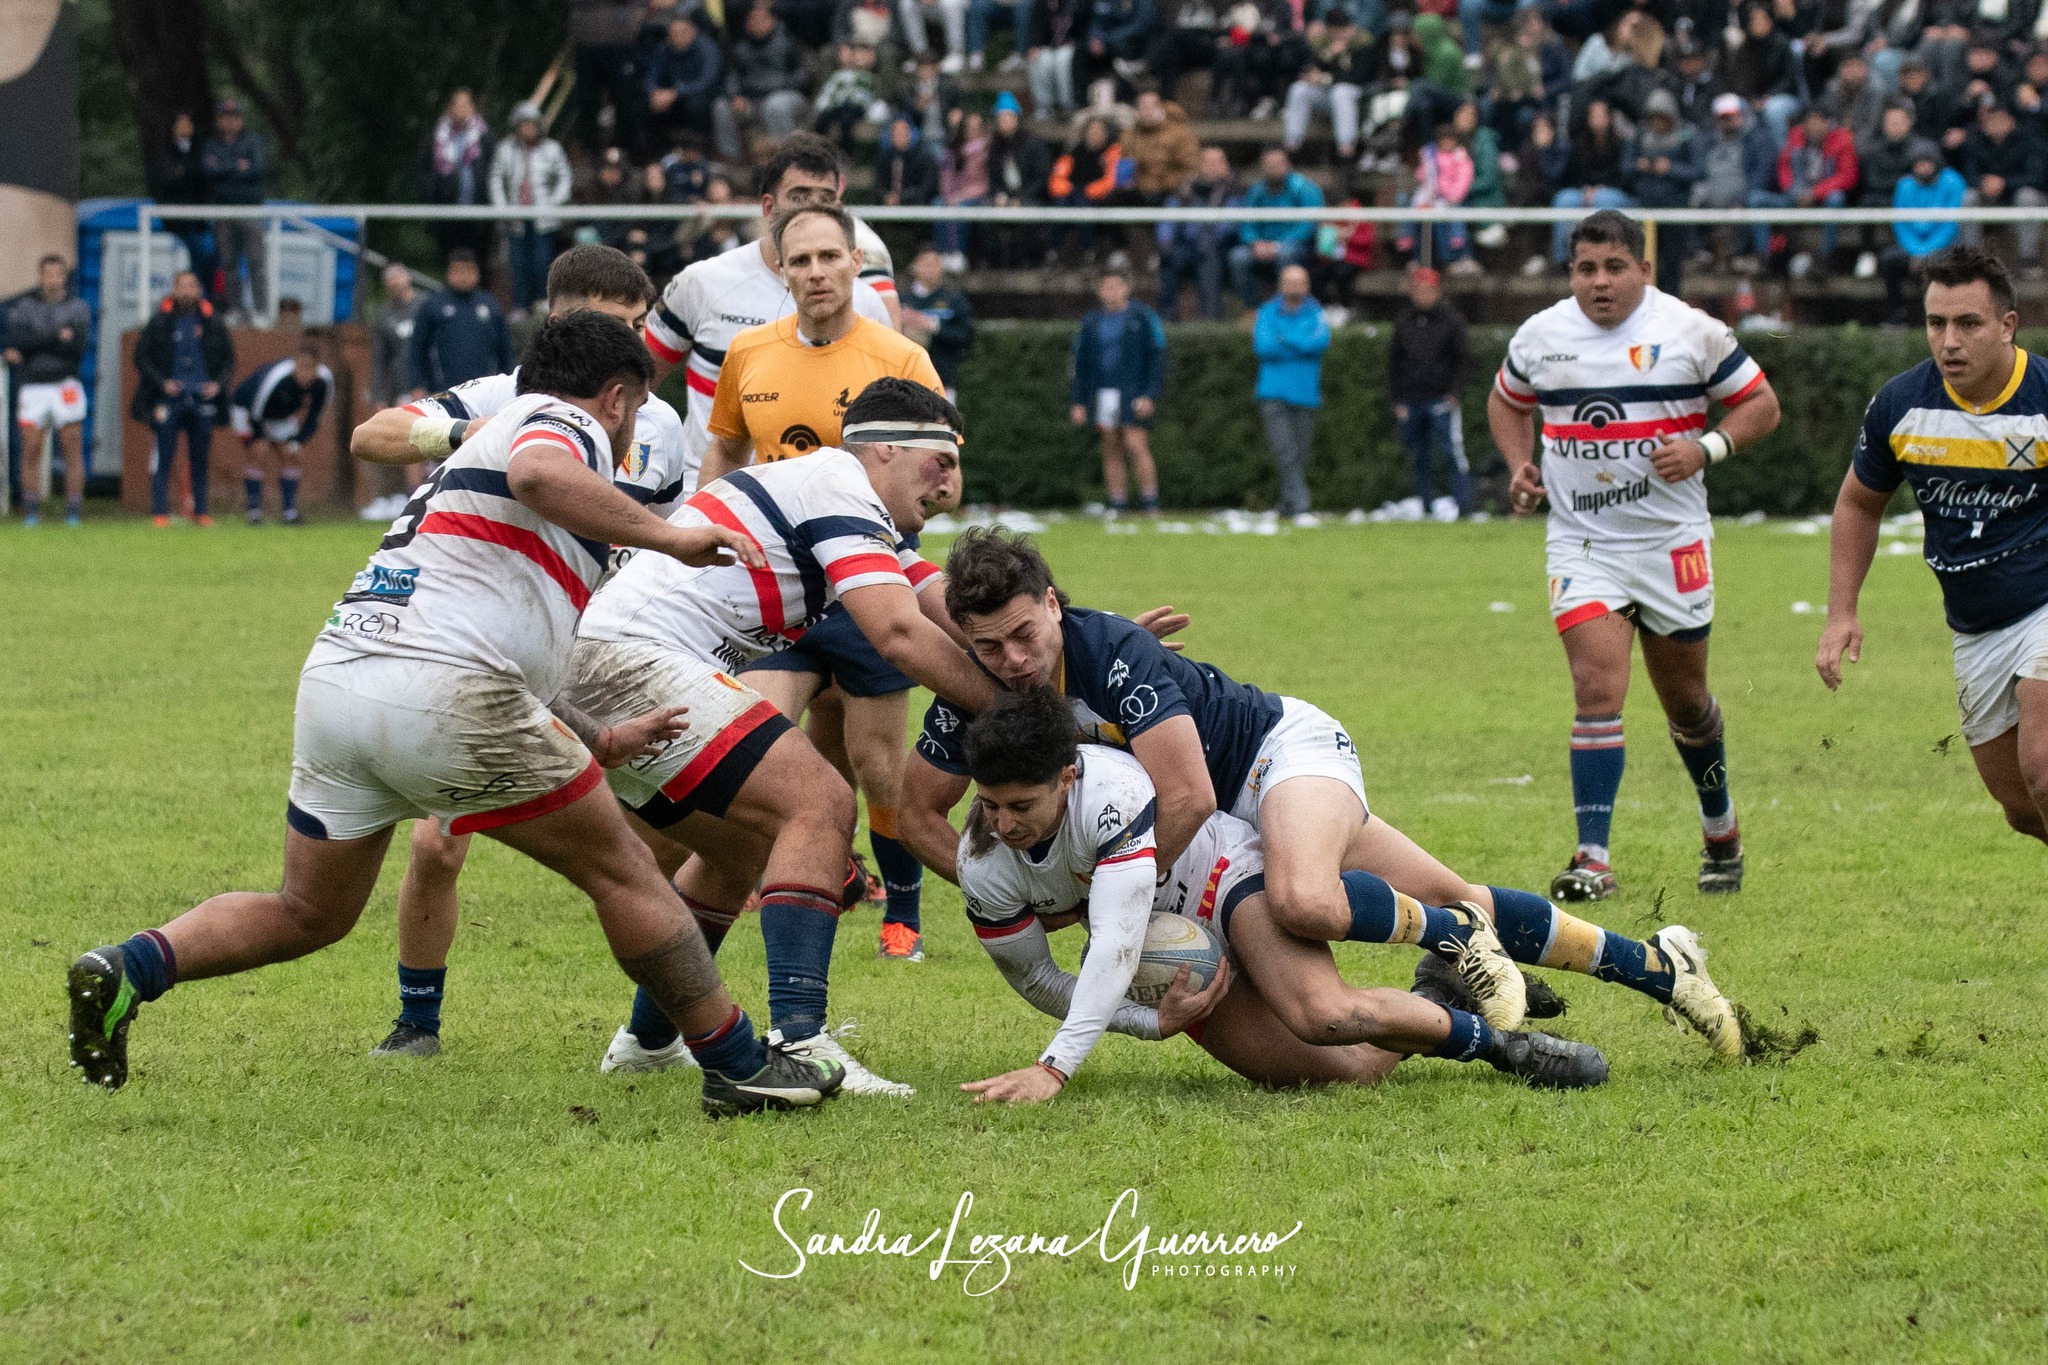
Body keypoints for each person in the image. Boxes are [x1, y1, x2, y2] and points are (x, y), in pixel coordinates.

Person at [63, 312, 848, 1119]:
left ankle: (127, 966)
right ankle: (740, 1064)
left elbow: (493, 627)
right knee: (621, 870)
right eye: (631, 422)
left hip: (342, 677)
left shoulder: (479, 454)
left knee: (308, 910)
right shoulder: (561, 420)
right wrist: (670, 536)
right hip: (443, 692)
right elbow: (543, 475)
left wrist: (601, 737)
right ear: (617, 399)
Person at [899, 528, 1749, 1061]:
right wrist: (1025, 894)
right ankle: (1656, 963)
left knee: (1313, 898)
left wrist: (1097, 893)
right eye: (988, 645)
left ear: (1052, 603)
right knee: (1336, 1029)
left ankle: (1478, 943)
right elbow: (915, 813)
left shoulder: (1113, 651)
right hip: (1202, 845)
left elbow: (1188, 794)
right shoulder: (980, 697)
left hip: (1274, 758)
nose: (1011, 658)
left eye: (1024, 633)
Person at [584, 374, 1000, 1094]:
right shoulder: (838, 481)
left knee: (739, 844)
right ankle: (800, 1038)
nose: (948, 488)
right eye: (942, 463)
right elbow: (901, 634)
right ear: (887, 448)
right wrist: (1013, 709)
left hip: (610, 667)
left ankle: (648, 1039)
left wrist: (1071, 652)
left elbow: (948, 604)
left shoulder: (844, 502)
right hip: (630, 665)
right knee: (821, 801)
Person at [347, 246, 697, 1057]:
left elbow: (661, 538)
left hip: (606, 644)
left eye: (641, 328)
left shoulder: (661, 424)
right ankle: (416, 1024)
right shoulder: (503, 397)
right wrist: (479, 432)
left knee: (683, 825)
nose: (636, 348)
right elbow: (372, 434)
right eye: (616, 329)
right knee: (440, 841)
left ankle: (654, 1030)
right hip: (484, 640)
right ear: (558, 322)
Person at [954, 692, 1629, 1101]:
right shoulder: (986, 863)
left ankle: (1504, 1048)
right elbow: (1039, 976)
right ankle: (1438, 994)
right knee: (1348, 1071)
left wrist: (1054, 1067)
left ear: (1069, 776)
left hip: (1224, 880)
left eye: (1022, 804)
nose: (1005, 824)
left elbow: (1117, 942)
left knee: (1323, 1014)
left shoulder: (1112, 797)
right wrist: (1149, 1022)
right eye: (990, 804)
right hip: (1178, 954)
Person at [1487, 210, 1783, 901]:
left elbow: (1761, 405)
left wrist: (1706, 447)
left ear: (1643, 271)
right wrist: (1520, 464)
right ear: (1571, 273)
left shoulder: (1691, 330)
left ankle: (1721, 828)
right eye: (1586, 268)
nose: (1600, 282)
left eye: (1615, 267)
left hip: (1671, 544)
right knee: (1597, 688)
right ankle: (1593, 857)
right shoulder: (1541, 336)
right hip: (1583, 544)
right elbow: (1507, 402)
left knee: (1686, 704)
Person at [699, 204, 950, 979]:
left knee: (878, 766)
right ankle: (823, 871)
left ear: (854, 263)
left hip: (870, 589)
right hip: (779, 595)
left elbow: (944, 471)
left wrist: (895, 528)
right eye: (798, 260)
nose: (814, 273)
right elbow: (724, 449)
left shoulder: (900, 358)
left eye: (827, 258)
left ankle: (902, 912)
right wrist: (703, 536)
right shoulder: (747, 353)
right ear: (780, 268)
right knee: (758, 738)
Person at [1818, 246, 2048, 848]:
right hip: (1975, 627)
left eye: (1968, 323)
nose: (1949, 341)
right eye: (1935, 323)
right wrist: (1842, 611)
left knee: (2044, 770)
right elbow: (1858, 504)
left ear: (2006, 325)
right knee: (2023, 808)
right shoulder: (1902, 405)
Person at [642, 135, 897, 485]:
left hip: (825, 505)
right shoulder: (704, 283)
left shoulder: (866, 301)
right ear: (767, 207)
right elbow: (635, 383)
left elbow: (891, 421)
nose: (812, 211)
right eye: (799, 197)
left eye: (826, 200)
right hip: (717, 498)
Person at [132, 269, 234, 527]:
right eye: (182, 286)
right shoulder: (160, 320)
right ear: (174, 289)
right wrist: (162, 383)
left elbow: (228, 359)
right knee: (163, 456)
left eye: (192, 285)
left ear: (199, 289)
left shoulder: (212, 320)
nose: (187, 291)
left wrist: (217, 385)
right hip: (169, 399)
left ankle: (201, 511)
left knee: (200, 457)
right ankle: (160, 513)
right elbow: (141, 358)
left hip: (201, 398)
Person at [1068, 268, 1164, 516]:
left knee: (1136, 443)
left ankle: (1150, 502)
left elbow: (1156, 357)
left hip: (1133, 391)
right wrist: (1078, 401)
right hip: (1103, 393)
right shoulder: (1091, 321)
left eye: (1116, 286)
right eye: (1106, 286)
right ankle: (1118, 504)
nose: (1111, 291)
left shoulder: (1142, 317)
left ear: (1126, 288)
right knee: (1111, 445)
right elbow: (1082, 364)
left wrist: (1149, 393)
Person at [5, 254, 92, 527]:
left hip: (66, 384)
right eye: (48, 273)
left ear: (64, 276)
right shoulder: (25, 307)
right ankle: (31, 510)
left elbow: (76, 347)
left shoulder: (77, 308)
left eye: (58, 273)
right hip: (34, 387)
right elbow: (20, 342)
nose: (53, 278)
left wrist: (36, 345)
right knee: (31, 447)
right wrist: (56, 337)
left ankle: (73, 511)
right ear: (40, 276)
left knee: (71, 446)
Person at [1387, 265, 1471, 523]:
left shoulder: (1452, 320)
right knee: (1418, 453)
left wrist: (1454, 392)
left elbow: (1464, 360)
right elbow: (1394, 362)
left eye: (1428, 290)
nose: (1423, 295)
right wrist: (1397, 399)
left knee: (1451, 451)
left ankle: (1465, 506)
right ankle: (1426, 505)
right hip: (1411, 399)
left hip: (1441, 399)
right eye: (1418, 290)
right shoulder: (1404, 321)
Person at [1252, 263, 1328, 525]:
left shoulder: (1316, 313)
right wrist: (1299, 342)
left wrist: (1285, 338)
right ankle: (1302, 506)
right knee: (1285, 451)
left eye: (1300, 282)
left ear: (1307, 285)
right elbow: (1264, 347)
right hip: (1273, 393)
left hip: (1306, 393)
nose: (1294, 287)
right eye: (1289, 281)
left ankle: (1286, 504)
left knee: (1300, 454)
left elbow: (1318, 344)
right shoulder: (1267, 312)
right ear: (1280, 285)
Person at [1748, 104, 1859, 277]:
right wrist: (1793, 191)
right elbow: (1784, 167)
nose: (1813, 126)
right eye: (1809, 122)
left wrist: (1815, 193)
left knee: (1836, 198)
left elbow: (1847, 176)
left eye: (1818, 121)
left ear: (1827, 123)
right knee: (1756, 199)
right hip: (1796, 197)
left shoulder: (1842, 140)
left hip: (1823, 200)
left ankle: (1825, 257)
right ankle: (1764, 257)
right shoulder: (1796, 137)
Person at [230, 343, 332, 525]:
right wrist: (259, 438)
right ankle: (254, 512)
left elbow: (315, 415)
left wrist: (299, 440)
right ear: (295, 365)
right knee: (259, 452)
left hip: (282, 416)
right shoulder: (277, 378)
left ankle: (289, 513)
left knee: (291, 455)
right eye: (302, 368)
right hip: (248, 411)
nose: (305, 374)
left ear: (317, 369)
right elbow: (255, 412)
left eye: (310, 370)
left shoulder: (323, 382)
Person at [489, 101, 573, 317]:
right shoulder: (505, 149)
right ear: (517, 127)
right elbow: (496, 178)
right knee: (518, 263)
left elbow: (564, 177)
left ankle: (543, 302)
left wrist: (553, 203)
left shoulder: (552, 149)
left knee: (542, 262)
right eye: (523, 125)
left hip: (543, 218)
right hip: (515, 217)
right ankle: (520, 305)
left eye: (532, 124)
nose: (528, 129)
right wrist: (502, 207)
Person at [1623, 90, 1702, 296]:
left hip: (1675, 210)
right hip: (1645, 209)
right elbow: (1624, 166)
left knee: (1672, 264)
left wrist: (1670, 169)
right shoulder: (1639, 136)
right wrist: (1640, 166)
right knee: (1645, 262)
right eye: (1653, 118)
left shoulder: (1686, 135)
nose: (1657, 123)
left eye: (1662, 118)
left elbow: (1698, 171)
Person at [1958, 102, 2046, 279]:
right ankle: (1972, 260)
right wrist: (1983, 182)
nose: (1995, 125)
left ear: (2011, 122)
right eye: (1991, 121)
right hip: (1987, 196)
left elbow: (2037, 177)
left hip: (2017, 194)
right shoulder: (1974, 142)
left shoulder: (2028, 141)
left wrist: (2004, 183)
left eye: (2000, 120)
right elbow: (1968, 174)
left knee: (2027, 197)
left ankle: (2027, 260)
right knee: (1969, 197)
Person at [1880, 143, 1965, 326]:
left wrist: (1927, 252)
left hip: (1945, 246)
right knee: (1888, 260)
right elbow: (1901, 224)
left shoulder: (1953, 182)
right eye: (1919, 163)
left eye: (1927, 163)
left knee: (1936, 264)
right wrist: (1916, 252)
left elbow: (1951, 225)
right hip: (1912, 248)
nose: (1924, 167)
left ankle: (1937, 320)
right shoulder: (1904, 186)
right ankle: (1897, 316)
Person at [410, 249, 514, 397]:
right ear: (449, 272)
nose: (464, 276)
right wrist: (417, 384)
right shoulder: (433, 305)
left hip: (486, 391)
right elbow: (417, 349)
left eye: (469, 271)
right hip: (443, 391)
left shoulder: (490, 304)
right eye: (458, 271)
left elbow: (504, 349)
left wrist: (508, 382)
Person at [1229, 147, 1324, 309]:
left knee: (1285, 254)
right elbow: (1247, 222)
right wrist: (1255, 242)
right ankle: (1253, 309)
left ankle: (1284, 308)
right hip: (1260, 246)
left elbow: (1309, 224)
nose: (1273, 169)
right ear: (1262, 167)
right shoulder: (1257, 190)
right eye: (1268, 165)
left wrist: (1277, 245)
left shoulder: (1304, 188)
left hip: (1295, 246)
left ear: (1287, 165)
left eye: (1277, 164)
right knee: (1238, 257)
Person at [201, 98, 268, 320]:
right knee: (227, 263)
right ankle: (234, 309)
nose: (230, 122)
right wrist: (237, 166)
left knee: (256, 261)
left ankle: (260, 311)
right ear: (219, 121)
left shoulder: (253, 141)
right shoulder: (211, 144)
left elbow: (257, 168)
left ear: (240, 120)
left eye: (234, 117)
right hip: (223, 212)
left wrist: (224, 168)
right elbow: (209, 172)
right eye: (225, 118)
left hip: (250, 210)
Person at [1156, 146, 1237, 321]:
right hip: (1187, 245)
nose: (1212, 166)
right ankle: (1167, 315)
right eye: (1207, 162)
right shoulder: (1185, 188)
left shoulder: (1235, 188)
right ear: (1199, 165)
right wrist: (1165, 240)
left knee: (1209, 257)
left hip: (1219, 247)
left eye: (1217, 162)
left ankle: (1211, 317)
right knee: (1168, 257)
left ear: (1226, 165)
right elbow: (1168, 217)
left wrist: (1211, 237)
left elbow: (1232, 221)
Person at [422, 90, 495, 274]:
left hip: (478, 208)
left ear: (473, 108)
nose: (462, 109)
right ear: (449, 108)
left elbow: (495, 168)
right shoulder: (436, 136)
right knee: (449, 258)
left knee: (479, 260)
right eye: (458, 104)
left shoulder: (485, 135)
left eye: (466, 104)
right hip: (447, 209)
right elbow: (424, 171)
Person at [146, 110, 213, 296]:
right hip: (176, 221)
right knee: (197, 253)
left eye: (187, 123)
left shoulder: (201, 149)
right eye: (180, 123)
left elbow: (205, 179)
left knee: (210, 255)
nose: (184, 128)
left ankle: (205, 298)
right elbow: (166, 181)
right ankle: (194, 297)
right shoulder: (165, 153)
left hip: (198, 221)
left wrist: (185, 173)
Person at [900, 245, 975, 402]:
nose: (931, 269)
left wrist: (933, 325)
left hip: (943, 382)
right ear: (915, 266)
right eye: (926, 264)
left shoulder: (954, 299)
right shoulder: (900, 300)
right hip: (905, 383)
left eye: (935, 264)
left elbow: (966, 335)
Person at [645, 12, 724, 143]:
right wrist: (654, 91)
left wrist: (676, 92)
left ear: (693, 31)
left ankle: (698, 148)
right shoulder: (664, 49)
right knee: (647, 103)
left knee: (695, 105)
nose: (678, 37)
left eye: (683, 32)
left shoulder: (707, 48)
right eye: (673, 33)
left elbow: (706, 81)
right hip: (671, 94)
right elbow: (652, 75)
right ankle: (658, 152)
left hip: (703, 94)